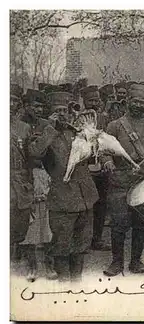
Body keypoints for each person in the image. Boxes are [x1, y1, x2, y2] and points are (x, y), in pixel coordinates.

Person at [30, 91, 98, 282]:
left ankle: (77, 282)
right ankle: (64, 285)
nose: (63, 114)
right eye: (57, 110)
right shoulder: (45, 132)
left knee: (82, 245)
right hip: (62, 199)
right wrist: (50, 128)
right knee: (62, 246)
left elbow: (95, 155)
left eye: (66, 110)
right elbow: (35, 153)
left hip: (85, 197)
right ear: (50, 113)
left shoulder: (78, 131)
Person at [102, 84, 144, 276]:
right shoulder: (115, 125)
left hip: (143, 178)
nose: (138, 105)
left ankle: (136, 261)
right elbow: (104, 150)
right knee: (119, 223)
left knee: (141, 222)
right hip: (120, 179)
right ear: (127, 101)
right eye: (134, 101)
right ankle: (116, 262)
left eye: (142, 102)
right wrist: (107, 161)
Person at [20, 88, 57, 281]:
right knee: (30, 223)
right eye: (35, 106)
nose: (40, 110)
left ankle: (49, 265)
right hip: (27, 176)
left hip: (46, 174)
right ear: (26, 106)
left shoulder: (47, 124)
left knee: (48, 223)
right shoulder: (19, 126)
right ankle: (31, 266)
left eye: (42, 106)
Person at [81, 85, 112, 251]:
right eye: (90, 100)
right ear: (84, 101)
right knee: (86, 206)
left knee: (101, 203)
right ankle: (84, 241)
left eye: (96, 100)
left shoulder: (103, 118)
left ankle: (97, 239)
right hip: (84, 168)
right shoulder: (77, 118)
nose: (93, 103)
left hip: (100, 166)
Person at [10, 84, 34, 267]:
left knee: (21, 216)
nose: (10, 104)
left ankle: (17, 248)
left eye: (15, 100)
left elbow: (30, 158)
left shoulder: (24, 128)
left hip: (20, 180)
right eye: (7, 99)